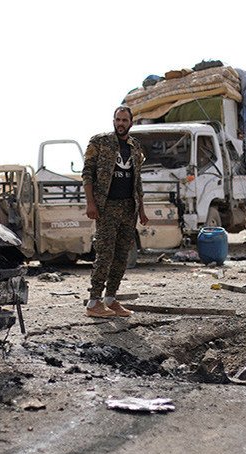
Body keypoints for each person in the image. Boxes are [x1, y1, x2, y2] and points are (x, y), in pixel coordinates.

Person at [82, 106, 149, 318]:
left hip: (128, 208)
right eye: (117, 119)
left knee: (121, 255)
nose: (120, 123)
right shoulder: (99, 142)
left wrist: (142, 210)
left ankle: (110, 299)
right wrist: (90, 203)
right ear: (114, 121)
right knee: (105, 253)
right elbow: (87, 174)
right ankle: (94, 302)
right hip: (106, 206)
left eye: (124, 120)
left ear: (131, 122)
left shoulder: (135, 147)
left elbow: (137, 180)